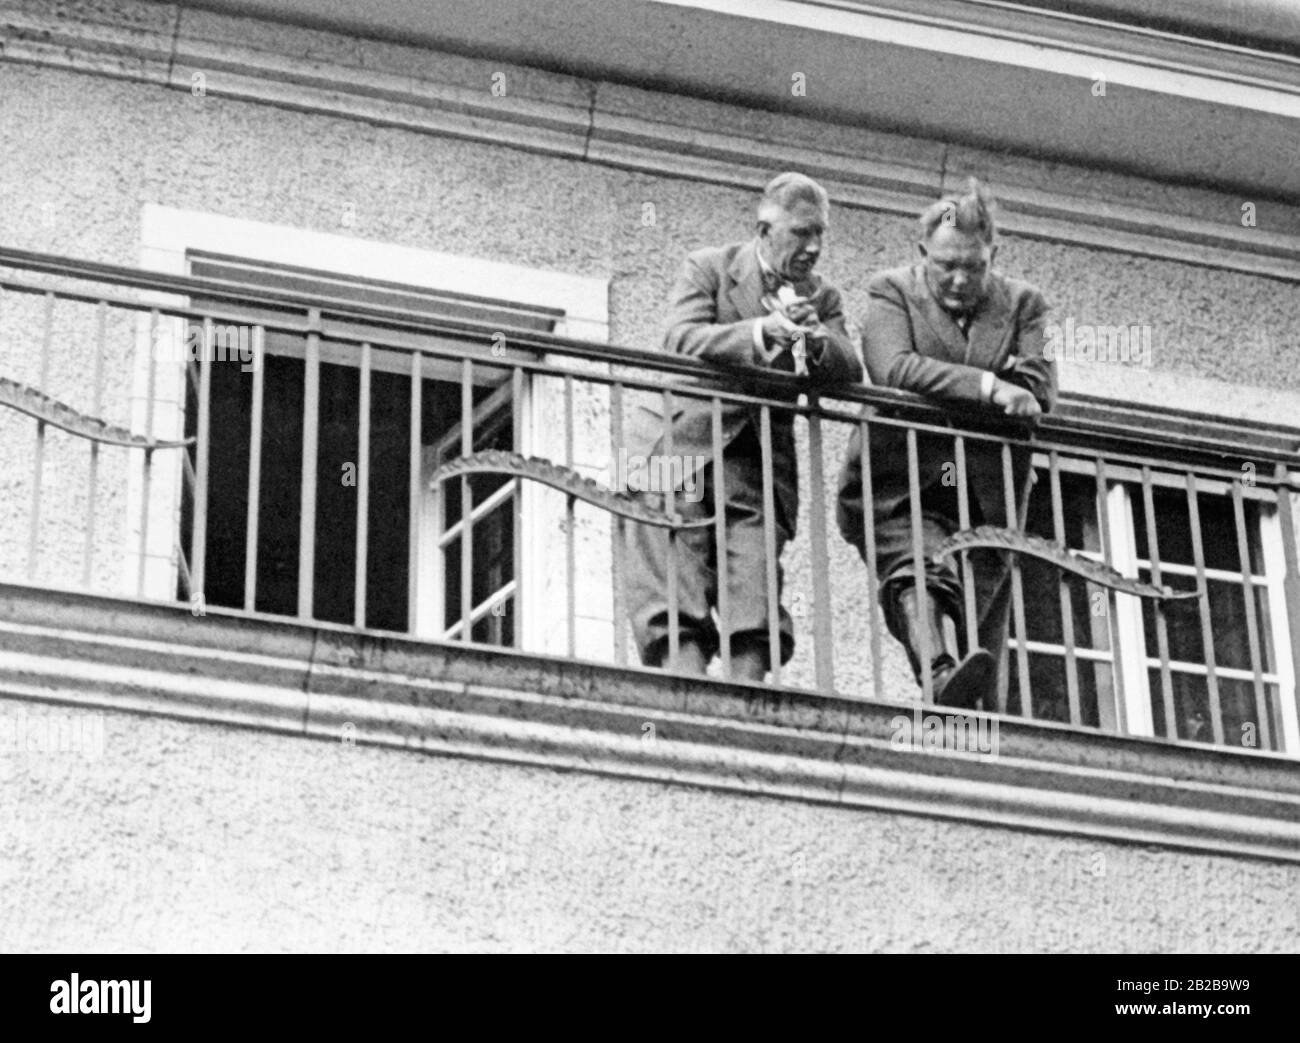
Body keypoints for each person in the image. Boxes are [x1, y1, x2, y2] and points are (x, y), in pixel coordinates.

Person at [624, 172, 863, 680]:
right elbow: (680, 338)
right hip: (678, 438)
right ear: (764, 229)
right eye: (801, 232)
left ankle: (746, 696)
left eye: (820, 233)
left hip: (755, 454)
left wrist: (811, 339)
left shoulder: (822, 297)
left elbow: (848, 367)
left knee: (753, 572)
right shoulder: (710, 267)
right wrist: (761, 333)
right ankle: (683, 685)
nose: (814, 247)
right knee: (674, 559)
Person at [836, 179, 1056, 709]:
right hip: (899, 478)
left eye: (973, 267)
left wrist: (1001, 387)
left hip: (986, 492)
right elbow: (892, 367)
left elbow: (1039, 387)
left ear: (993, 256)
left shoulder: (1026, 304)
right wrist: (989, 385)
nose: (959, 279)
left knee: (977, 617)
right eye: (945, 265)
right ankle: (938, 673)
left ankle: (961, 708)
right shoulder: (889, 289)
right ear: (922, 255)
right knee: (918, 569)